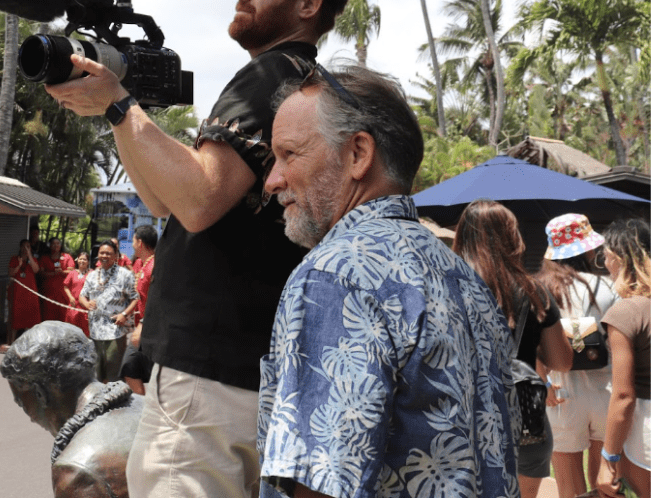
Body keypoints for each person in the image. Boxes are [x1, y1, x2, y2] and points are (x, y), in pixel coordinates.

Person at [47, 0, 344, 497]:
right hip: (245, 368)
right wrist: (120, 113)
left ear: (308, 4)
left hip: (209, 377)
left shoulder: (271, 75)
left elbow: (199, 199)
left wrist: (118, 103)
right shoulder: (304, 83)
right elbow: (165, 200)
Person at [259, 65, 520, 498]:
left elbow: (320, 483)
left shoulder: (334, 276)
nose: (272, 180)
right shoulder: (461, 275)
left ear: (358, 153)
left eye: (289, 154)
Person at [453, 199, 573, 498]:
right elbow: (562, 361)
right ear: (512, 237)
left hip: (462, 423)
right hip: (525, 428)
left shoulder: (445, 288)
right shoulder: (534, 291)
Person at [0, 321, 143, 498]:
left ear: (40, 393)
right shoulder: (147, 405)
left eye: (22, 404)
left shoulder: (77, 471)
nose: (30, 418)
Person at [536, 213, 618, 498]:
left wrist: (543, 381)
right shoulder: (608, 287)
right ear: (589, 249)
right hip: (606, 390)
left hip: (560, 394)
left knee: (570, 489)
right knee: (603, 484)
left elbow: (528, 344)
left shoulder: (540, 289)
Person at [596, 218, 651, 498]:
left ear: (616, 258)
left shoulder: (626, 312)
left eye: (604, 255)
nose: (603, 262)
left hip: (644, 431)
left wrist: (609, 458)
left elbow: (624, 396)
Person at [79, 241, 138, 384]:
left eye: (108, 253)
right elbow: (82, 296)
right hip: (95, 331)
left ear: (116, 256)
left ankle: (115, 402)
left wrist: (124, 315)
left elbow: (135, 299)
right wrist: (87, 303)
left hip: (115, 331)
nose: (104, 256)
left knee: (114, 373)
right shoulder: (92, 275)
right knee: (96, 372)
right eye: (102, 253)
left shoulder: (125, 275)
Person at [120, 225, 157, 395]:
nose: (132, 245)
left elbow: (157, 300)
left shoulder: (155, 266)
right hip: (142, 330)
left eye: (133, 241)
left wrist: (142, 324)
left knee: (141, 369)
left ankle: (149, 409)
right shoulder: (141, 264)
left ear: (140, 242)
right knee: (130, 367)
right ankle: (142, 407)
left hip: (152, 330)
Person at [8, 239, 42, 346]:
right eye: (24, 246)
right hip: (18, 292)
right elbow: (11, 273)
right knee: (16, 317)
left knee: (31, 318)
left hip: (30, 292)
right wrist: (19, 264)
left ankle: (30, 343)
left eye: (28, 246)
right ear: (20, 247)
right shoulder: (14, 258)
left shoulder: (34, 259)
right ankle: (12, 342)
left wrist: (29, 256)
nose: (25, 249)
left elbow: (36, 270)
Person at [39, 237, 74, 322]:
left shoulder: (66, 257)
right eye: (53, 243)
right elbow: (40, 273)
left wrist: (62, 272)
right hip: (48, 292)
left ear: (61, 245)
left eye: (58, 243)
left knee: (63, 315)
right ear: (49, 246)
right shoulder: (44, 258)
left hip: (63, 292)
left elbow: (72, 271)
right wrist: (53, 274)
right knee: (48, 315)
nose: (56, 245)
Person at [63, 251, 91, 337]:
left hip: (86, 306)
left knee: (85, 330)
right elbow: (66, 286)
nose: (82, 261)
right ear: (77, 260)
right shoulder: (72, 273)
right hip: (73, 305)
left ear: (88, 262)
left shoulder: (92, 273)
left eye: (84, 259)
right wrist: (70, 297)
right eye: (80, 259)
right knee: (71, 329)